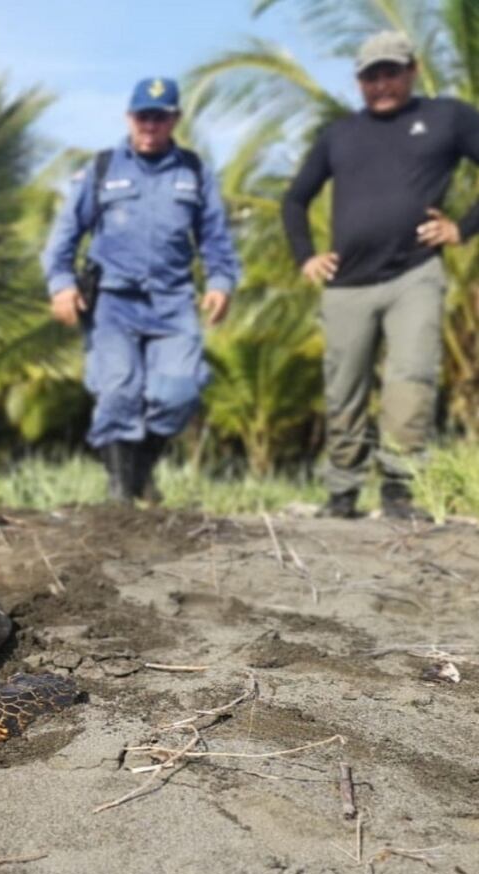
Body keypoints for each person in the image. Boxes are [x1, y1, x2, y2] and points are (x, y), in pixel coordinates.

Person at [283, 30, 479, 520]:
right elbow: (295, 199)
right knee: (343, 390)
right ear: (358, 81)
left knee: (410, 379)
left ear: (412, 70)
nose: (381, 84)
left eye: (391, 72)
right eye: (371, 76)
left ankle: (400, 492)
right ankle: (342, 494)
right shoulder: (340, 134)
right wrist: (306, 255)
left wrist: (462, 229)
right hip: (346, 285)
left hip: (415, 274)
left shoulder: (448, 117)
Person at [41, 77, 240, 503]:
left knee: (178, 393)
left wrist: (221, 282)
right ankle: (120, 495)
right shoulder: (102, 169)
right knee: (118, 392)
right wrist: (61, 285)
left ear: (175, 119)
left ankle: (140, 474)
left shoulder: (194, 172)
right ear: (129, 117)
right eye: (143, 116)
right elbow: (65, 235)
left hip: (173, 301)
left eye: (160, 117)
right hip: (113, 302)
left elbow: (215, 237)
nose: (150, 125)